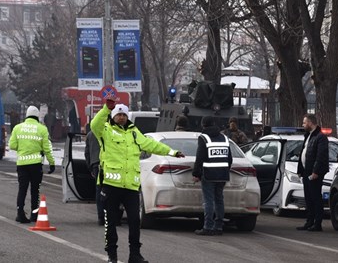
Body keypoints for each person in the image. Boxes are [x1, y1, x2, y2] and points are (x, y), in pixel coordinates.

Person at [91, 97, 185, 263]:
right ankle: (112, 254)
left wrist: (172, 152)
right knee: (111, 223)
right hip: (111, 185)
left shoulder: (134, 133)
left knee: (134, 221)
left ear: (127, 117)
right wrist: (106, 109)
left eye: (124, 115)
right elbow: (94, 125)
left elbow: (152, 145)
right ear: (113, 116)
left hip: (131, 187)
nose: (121, 117)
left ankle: (135, 254)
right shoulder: (105, 131)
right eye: (118, 115)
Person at [9, 105, 55, 224]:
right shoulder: (42, 129)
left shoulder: (17, 128)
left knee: (22, 189)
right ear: (37, 116)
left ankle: (20, 214)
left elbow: (12, 146)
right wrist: (51, 163)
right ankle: (34, 215)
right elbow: (47, 148)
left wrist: (23, 147)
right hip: (35, 164)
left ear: (27, 115)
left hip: (22, 164)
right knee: (35, 190)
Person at [192, 116, 232, 236]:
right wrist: (225, 169)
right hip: (223, 174)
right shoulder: (224, 138)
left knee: (208, 201)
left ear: (203, 125)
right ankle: (218, 226)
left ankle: (207, 227)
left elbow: (200, 157)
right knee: (219, 200)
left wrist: (196, 173)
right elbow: (229, 158)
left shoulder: (203, 138)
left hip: (209, 174)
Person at [296, 113, 329, 232]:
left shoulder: (320, 137)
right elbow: (303, 153)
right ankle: (309, 221)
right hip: (306, 172)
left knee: (315, 198)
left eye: (304, 122)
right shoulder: (308, 136)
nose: (303, 125)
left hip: (314, 173)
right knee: (308, 198)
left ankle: (317, 223)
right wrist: (300, 170)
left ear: (310, 123)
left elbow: (320, 156)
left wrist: (316, 171)